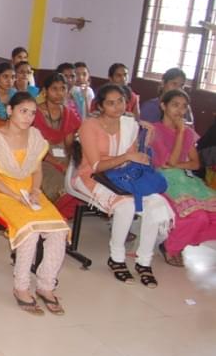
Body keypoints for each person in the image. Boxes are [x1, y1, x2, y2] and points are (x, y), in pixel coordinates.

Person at [0, 92, 71, 315]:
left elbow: (36, 170)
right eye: (23, 111)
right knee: (29, 232)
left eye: (32, 113)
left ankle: (46, 285)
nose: (28, 117)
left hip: (30, 191)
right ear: (10, 111)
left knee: (58, 230)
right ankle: (21, 287)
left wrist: (36, 190)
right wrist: (16, 195)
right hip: (1, 193)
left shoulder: (35, 136)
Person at [73, 84, 174, 288]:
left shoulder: (130, 124)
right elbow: (95, 165)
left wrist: (145, 141)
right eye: (111, 103)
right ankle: (116, 259)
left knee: (156, 205)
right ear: (100, 106)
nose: (117, 106)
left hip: (123, 176)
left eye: (120, 100)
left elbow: (135, 158)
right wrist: (127, 156)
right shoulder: (89, 126)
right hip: (92, 176)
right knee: (125, 206)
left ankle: (144, 261)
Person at [150, 90, 216, 266]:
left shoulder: (188, 132)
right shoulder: (155, 130)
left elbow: (195, 164)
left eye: (184, 106)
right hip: (163, 180)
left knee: (213, 216)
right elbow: (167, 162)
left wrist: (177, 165)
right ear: (163, 106)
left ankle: (179, 241)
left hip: (186, 179)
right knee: (198, 217)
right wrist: (179, 133)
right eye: (175, 105)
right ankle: (171, 247)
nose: (180, 110)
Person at [34, 73, 81, 208]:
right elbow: (36, 149)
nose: (59, 93)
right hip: (42, 159)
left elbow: (70, 146)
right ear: (45, 91)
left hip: (63, 159)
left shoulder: (68, 114)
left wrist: (72, 167)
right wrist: (60, 166)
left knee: (77, 181)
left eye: (63, 88)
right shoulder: (35, 113)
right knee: (60, 187)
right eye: (54, 89)